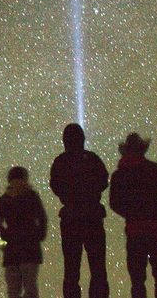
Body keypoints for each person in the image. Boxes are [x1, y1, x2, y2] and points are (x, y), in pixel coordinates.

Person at [109, 133, 157, 298]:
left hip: (134, 230)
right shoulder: (154, 168)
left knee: (137, 280)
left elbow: (114, 203)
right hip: (155, 228)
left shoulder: (119, 175)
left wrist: (130, 214)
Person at [50, 123, 110, 298]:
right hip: (93, 218)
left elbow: (55, 185)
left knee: (71, 271)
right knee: (98, 269)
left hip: (70, 219)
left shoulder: (60, 161)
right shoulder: (91, 159)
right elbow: (103, 180)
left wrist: (68, 196)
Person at [0, 166, 48, 298]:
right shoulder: (32, 197)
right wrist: (38, 235)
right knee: (30, 290)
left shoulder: (4, 199)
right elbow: (42, 218)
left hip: (12, 250)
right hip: (30, 248)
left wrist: (5, 236)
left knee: (13, 291)